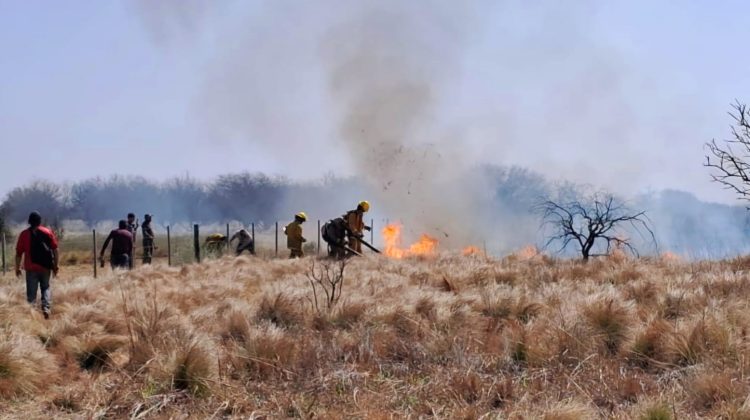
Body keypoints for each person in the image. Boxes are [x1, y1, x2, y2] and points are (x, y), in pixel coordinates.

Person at [15, 211, 59, 319]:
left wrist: (17, 268)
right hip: (45, 267)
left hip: (31, 269)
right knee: (46, 288)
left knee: (31, 295)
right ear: (40, 221)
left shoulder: (24, 234)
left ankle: (32, 316)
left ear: (29, 222)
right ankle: (46, 308)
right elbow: (55, 250)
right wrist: (55, 266)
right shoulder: (48, 232)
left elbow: (18, 253)